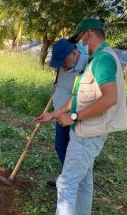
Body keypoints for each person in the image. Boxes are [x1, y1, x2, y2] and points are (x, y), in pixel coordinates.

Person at [35, 18, 127, 214]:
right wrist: (53, 114)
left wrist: (74, 117)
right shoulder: (96, 59)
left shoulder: (102, 59)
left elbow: (110, 98)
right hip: (86, 130)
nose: (79, 44)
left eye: (79, 39)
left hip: (88, 133)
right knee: (84, 181)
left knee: (66, 185)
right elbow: (79, 97)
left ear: (89, 34)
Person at [47, 38, 88, 189]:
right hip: (60, 116)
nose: (62, 67)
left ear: (74, 52)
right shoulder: (63, 65)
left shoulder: (87, 66)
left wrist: (71, 115)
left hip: (76, 119)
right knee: (60, 147)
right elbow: (61, 85)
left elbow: (85, 98)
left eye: (63, 62)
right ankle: (67, 179)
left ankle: (72, 183)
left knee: (74, 154)